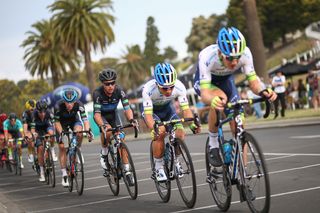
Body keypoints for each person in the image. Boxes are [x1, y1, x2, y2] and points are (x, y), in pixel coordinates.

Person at [193, 26, 277, 168]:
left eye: (237, 58)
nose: (234, 62)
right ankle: (213, 144)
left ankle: (242, 174)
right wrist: (212, 100)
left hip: (226, 81)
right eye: (230, 58)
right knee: (220, 99)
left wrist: (263, 91)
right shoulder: (207, 57)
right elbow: (205, 94)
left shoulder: (246, 53)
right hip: (206, 83)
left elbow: (253, 82)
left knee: (238, 126)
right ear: (220, 52)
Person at [142, 63, 201, 182]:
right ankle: (158, 167)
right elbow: (148, 115)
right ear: (157, 84)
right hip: (153, 113)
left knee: (180, 133)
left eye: (171, 87)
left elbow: (186, 110)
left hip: (168, 110)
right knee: (161, 133)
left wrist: (192, 125)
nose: (169, 90)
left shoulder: (180, 87)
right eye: (164, 88)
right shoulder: (148, 89)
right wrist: (154, 129)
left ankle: (177, 161)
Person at [93, 68, 138, 179]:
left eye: (113, 83)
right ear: (103, 84)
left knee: (121, 140)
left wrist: (131, 120)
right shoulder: (97, 93)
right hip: (102, 116)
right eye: (107, 84)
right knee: (107, 132)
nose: (111, 86)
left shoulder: (119, 91)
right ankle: (104, 154)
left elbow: (127, 108)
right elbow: (97, 115)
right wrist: (102, 126)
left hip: (113, 115)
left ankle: (127, 168)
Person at [54, 88, 93, 187]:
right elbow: (57, 122)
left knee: (79, 133)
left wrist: (88, 130)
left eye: (72, 102)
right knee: (62, 147)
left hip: (74, 121)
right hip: (61, 124)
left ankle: (78, 148)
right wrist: (61, 133)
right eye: (67, 102)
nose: (69, 104)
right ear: (64, 100)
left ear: (75, 101)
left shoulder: (79, 105)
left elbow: (85, 119)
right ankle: (64, 175)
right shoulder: (58, 106)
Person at [31, 100, 55, 182]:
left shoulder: (49, 113)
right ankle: (41, 172)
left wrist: (52, 133)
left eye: (44, 112)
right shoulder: (34, 115)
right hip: (38, 130)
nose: (43, 114)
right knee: (40, 148)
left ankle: (51, 149)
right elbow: (33, 128)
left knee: (52, 134)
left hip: (46, 127)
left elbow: (53, 125)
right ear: (37, 111)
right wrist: (34, 134)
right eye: (40, 112)